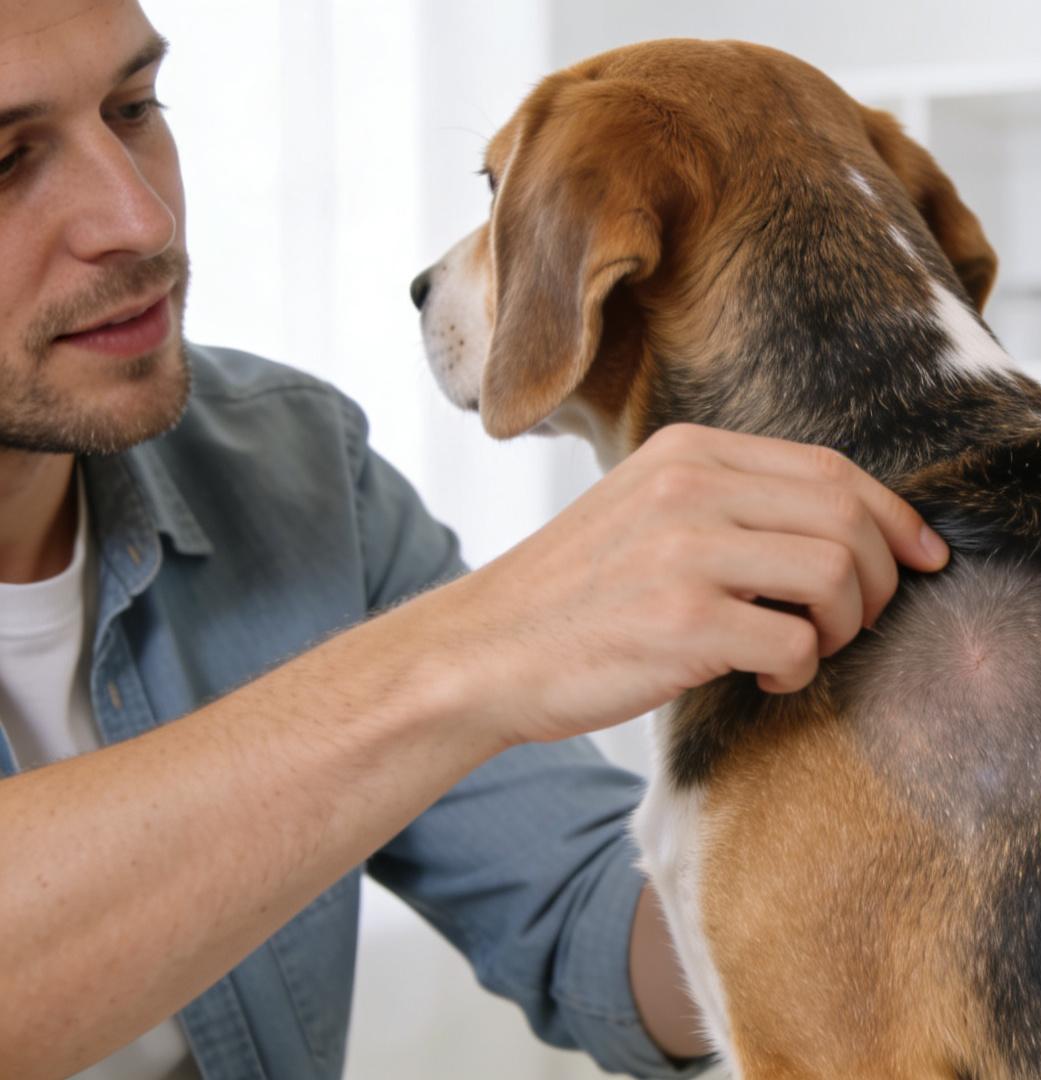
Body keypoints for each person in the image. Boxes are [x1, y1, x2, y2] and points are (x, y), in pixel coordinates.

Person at [0, 2, 951, 1077]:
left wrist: (940, 836)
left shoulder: (296, 468)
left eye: (134, 108)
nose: (138, 219)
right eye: (4, 162)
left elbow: (588, 920)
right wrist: (475, 650)